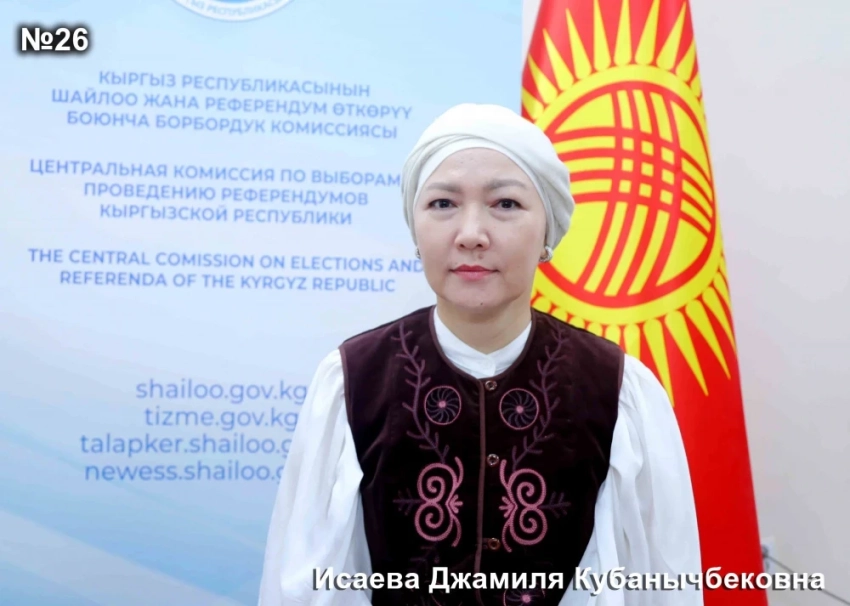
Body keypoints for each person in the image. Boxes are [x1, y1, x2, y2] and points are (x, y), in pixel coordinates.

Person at [257, 103, 703, 606]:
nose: (471, 234)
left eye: (505, 204)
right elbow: (307, 585)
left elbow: (659, 582)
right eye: (443, 203)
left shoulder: (617, 389)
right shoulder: (353, 381)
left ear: (548, 231)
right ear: (415, 228)